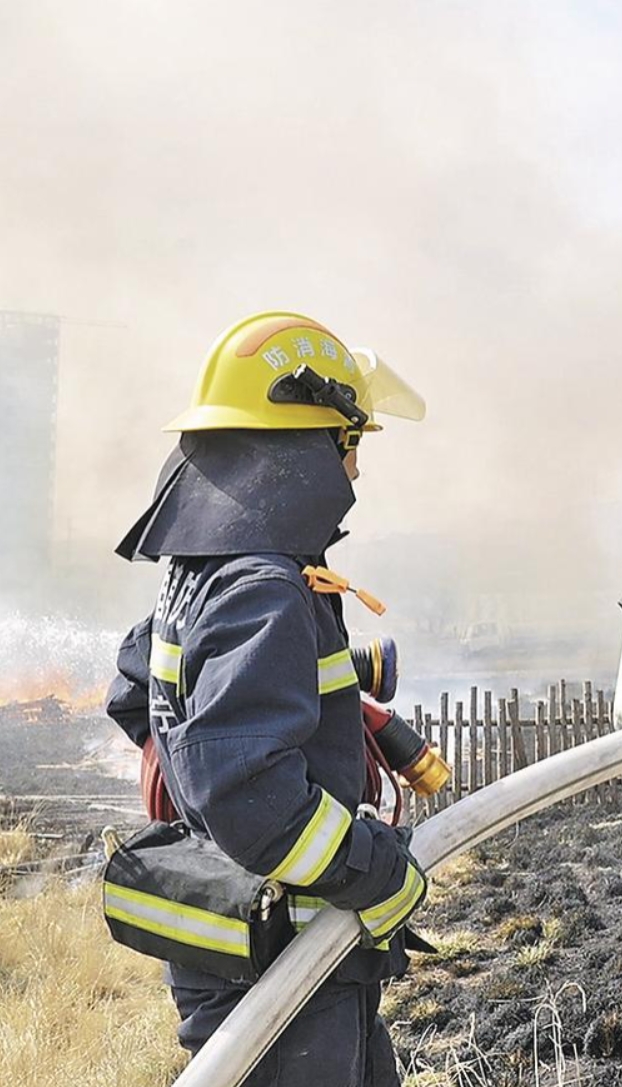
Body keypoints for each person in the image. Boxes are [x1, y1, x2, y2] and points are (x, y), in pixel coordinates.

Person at [105, 311, 428, 1086]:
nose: (354, 473)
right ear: (303, 446)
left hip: (248, 943)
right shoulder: (262, 587)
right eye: (349, 445)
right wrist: (378, 869)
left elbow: (134, 686)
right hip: (284, 957)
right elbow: (251, 796)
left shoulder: (199, 573)